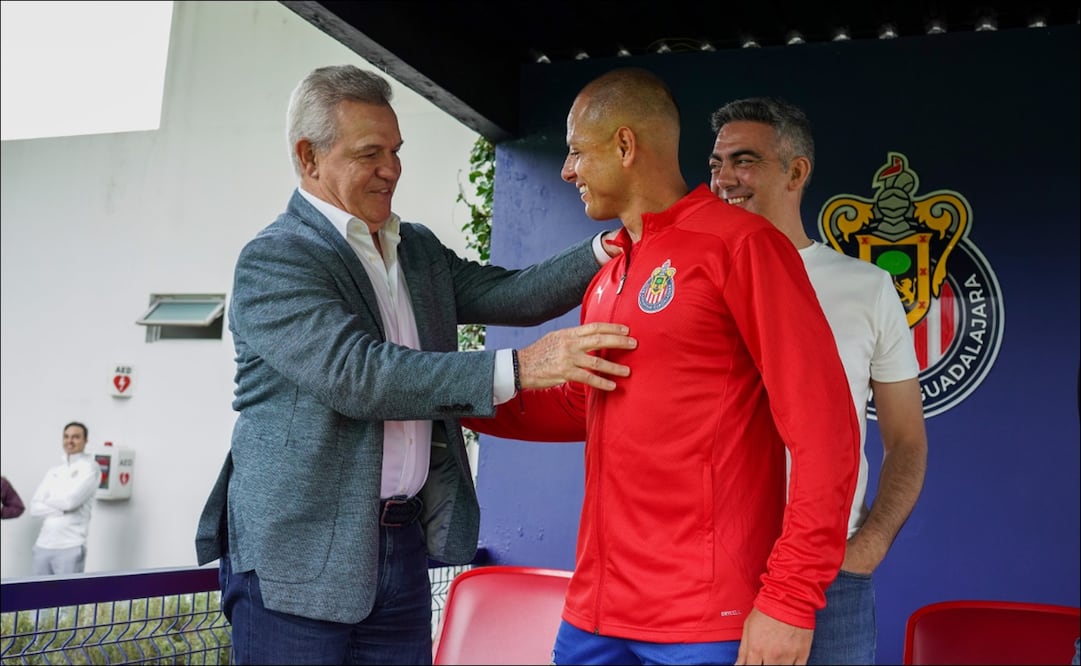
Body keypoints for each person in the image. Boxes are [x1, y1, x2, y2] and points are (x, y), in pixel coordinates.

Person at [194, 64, 636, 666]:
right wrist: (523, 368)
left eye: (396, 150)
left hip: (400, 546)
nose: (392, 169)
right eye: (369, 153)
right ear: (308, 157)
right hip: (297, 560)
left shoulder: (415, 246)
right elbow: (362, 377)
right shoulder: (276, 260)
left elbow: (513, 294)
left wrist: (609, 247)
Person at [463, 67, 860, 665]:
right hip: (595, 612)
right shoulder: (612, 270)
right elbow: (586, 403)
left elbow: (824, 430)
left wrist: (789, 598)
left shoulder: (743, 245)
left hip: (703, 620)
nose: (568, 170)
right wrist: (438, 394)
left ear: (625, 146)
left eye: (576, 153)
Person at [708, 97, 929, 665]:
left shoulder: (868, 286)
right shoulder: (691, 279)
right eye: (716, 164)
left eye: (745, 160)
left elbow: (906, 439)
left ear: (796, 171)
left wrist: (867, 547)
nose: (724, 178)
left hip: (829, 583)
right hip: (704, 577)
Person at [28, 421, 98, 574]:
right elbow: (34, 508)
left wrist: (48, 499)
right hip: (43, 545)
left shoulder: (90, 468)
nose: (70, 441)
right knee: (36, 596)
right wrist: (60, 509)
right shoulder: (54, 471)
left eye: (76, 437)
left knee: (68, 598)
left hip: (70, 546)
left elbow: (70, 502)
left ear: (85, 440)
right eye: (66, 437)